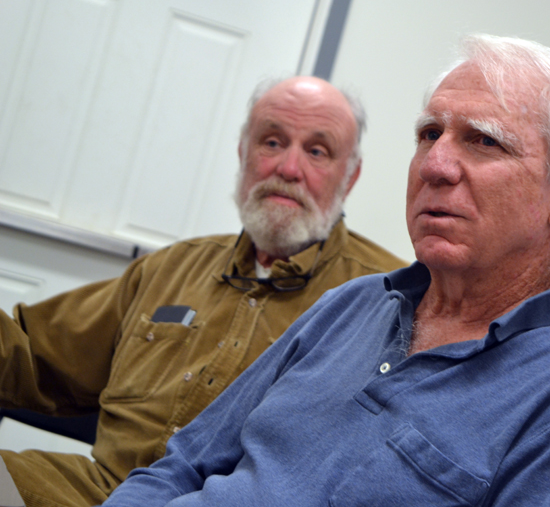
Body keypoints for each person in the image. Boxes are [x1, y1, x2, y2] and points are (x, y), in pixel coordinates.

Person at [102, 34, 550, 506]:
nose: (435, 165)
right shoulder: (353, 305)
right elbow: (179, 467)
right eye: (429, 134)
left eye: (484, 141)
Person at [0, 76, 407, 507]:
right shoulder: (171, 268)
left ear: (351, 175)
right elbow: (28, 353)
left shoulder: (385, 300)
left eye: (317, 151)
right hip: (93, 492)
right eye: (271, 142)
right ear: (242, 152)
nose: (289, 168)